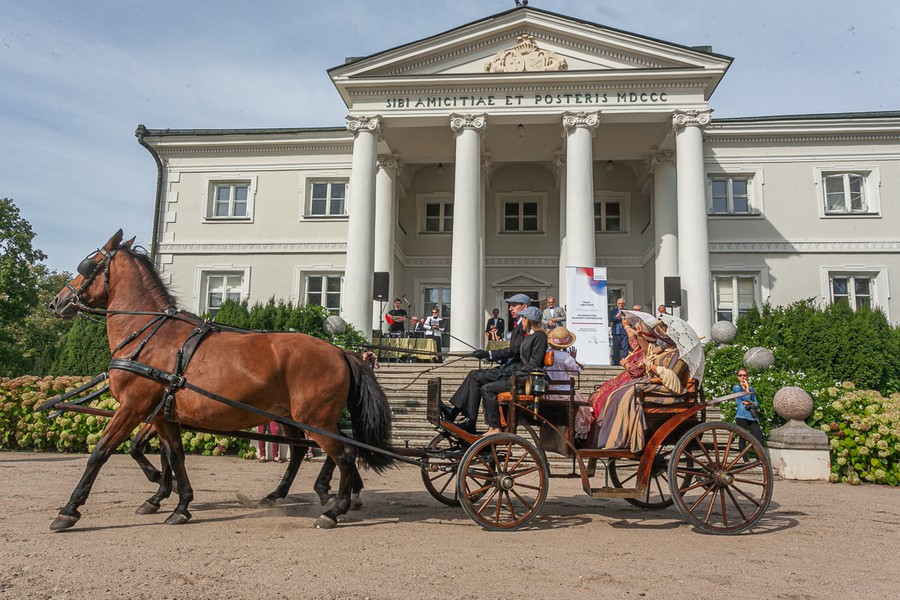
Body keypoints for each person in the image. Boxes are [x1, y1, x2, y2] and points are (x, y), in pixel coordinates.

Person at [593, 323, 691, 452]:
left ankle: (621, 437)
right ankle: (609, 435)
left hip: (667, 389)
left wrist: (651, 365)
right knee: (615, 394)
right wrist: (638, 334)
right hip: (652, 382)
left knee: (629, 394)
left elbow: (671, 376)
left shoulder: (679, 354)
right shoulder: (665, 350)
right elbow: (647, 349)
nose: (663, 336)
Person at [443, 293, 532, 432]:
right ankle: (460, 416)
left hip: (514, 372)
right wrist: (493, 357)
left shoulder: (525, 328)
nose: (510, 309)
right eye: (510, 306)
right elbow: (514, 353)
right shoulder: (519, 326)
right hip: (510, 367)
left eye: (514, 305)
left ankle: (463, 418)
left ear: (525, 307)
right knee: (474, 375)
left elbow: (515, 351)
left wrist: (489, 353)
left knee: (475, 376)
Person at [479, 306, 548, 436]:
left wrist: (516, 371)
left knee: (487, 389)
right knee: (485, 386)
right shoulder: (527, 336)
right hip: (519, 375)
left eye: (524, 319)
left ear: (529, 320)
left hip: (527, 380)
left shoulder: (540, 337)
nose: (521, 321)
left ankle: (495, 428)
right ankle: (493, 427)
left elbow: (534, 363)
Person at [544, 327, 592, 442]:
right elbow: (576, 372)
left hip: (549, 390)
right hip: (564, 391)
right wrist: (574, 359)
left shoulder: (545, 353)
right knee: (584, 409)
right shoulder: (565, 357)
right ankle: (577, 437)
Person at [733, 369, 764, 459]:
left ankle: (759, 459)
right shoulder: (736, 388)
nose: (743, 377)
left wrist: (751, 403)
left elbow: (756, 403)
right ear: (737, 377)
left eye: (744, 375)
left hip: (752, 416)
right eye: (740, 375)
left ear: (747, 376)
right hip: (741, 416)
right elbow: (746, 398)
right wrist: (747, 388)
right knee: (742, 438)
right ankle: (745, 459)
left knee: (759, 439)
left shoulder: (751, 389)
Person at [609, 297, 629, 365]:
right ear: (617, 304)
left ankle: (624, 363)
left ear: (624, 304)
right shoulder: (613, 311)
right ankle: (616, 363)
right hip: (616, 332)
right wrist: (617, 316)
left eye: (622, 304)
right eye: (619, 303)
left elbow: (630, 320)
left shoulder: (627, 311)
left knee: (625, 348)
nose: (621, 305)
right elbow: (610, 319)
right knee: (616, 348)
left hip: (624, 331)